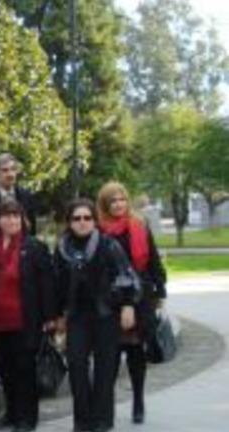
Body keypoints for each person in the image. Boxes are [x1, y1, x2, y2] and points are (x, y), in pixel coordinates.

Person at [55, 199, 141, 432]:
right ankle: (82, 421)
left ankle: (103, 420)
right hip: (77, 317)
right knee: (77, 367)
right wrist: (58, 315)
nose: (82, 222)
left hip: (105, 314)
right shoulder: (62, 248)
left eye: (87, 218)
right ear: (69, 222)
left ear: (94, 220)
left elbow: (127, 276)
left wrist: (128, 305)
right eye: (77, 218)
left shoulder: (108, 245)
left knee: (105, 369)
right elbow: (57, 285)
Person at [0, 199, 56, 432]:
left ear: (22, 220)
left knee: (24, 371)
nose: (11, 220)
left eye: (16, 216)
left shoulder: (34, 247)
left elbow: (46, 284)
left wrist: (50, 316)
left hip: (24, 320)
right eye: (6, 216)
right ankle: (11, 413)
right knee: (4, 371)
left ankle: (27, 419)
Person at [97, 182, 167, 424]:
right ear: (105, 205)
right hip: (111, 299)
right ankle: (108, 406)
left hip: (140, 297)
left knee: (136, 352)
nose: (118, 204)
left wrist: (161, 291)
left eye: (122, 199)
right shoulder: (99, 231)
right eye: (113, 201)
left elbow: (153, 260)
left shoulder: (139, 226)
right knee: (111, 353)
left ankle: (138, 400)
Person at [0, 154, 40, 235]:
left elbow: (32, 230)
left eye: (13, 169)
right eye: (5, 170)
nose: (10, 174)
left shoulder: (26, 196)